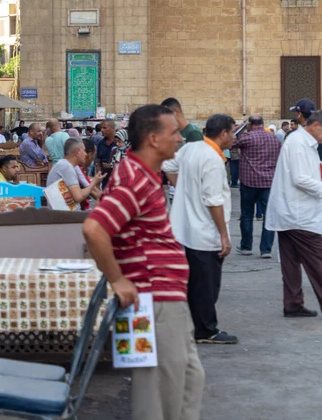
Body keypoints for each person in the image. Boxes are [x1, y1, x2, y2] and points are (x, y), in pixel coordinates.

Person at [83, 104, 204, 420]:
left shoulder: (140, 174)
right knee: (159, 400)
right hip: (154, 302)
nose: (180, 138)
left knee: (187, 382)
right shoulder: (135, 178)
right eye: (173, 132)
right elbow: (94, 228)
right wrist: (118, 279)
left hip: (162, 301)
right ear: (153, 139)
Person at [163, 114, 238, 345]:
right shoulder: (212, 159)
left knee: (196, 283)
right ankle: (206, 329)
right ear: (223, 133)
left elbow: (167, 164)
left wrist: (184, 189)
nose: (234, 138)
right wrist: (224, 235)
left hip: (187, 229)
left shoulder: (191, 149)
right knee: (207, 285)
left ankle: (196, 326)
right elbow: (213, 201)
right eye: (233, 132)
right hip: (205, 232)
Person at [265, 109, 322, 318]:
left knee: (290, 262)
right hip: (299, 215)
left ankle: (293, 304)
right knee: (317, 262)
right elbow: (301, 178)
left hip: (290, 212)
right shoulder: (298, 143)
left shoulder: (304, 143)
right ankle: (293, 303)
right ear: (316, 126)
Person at [231, 114, 281, 257]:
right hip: (268, 182)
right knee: (268, 216)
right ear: (263, 123)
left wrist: (241, 127)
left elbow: (231, 142)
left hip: (249, 182)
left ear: (250, 124)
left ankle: (246, 246)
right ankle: (266, 249)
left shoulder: (246, 138)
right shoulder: (274, 138)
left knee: (247, 214)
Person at [46, 138, 105, 209]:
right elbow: (78, 197)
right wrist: (94, 182)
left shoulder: (65, 164)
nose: (86, 154)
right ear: (77, 152)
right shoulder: (66, 167)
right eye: (84, 150)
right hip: (64, 216)